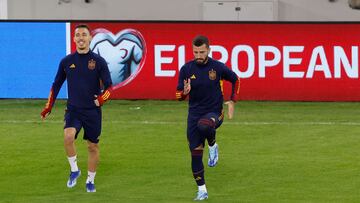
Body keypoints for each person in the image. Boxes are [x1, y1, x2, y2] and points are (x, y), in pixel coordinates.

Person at [40, 24, 113, 193]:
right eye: (78, 35)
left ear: (90, 38)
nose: (81, 37)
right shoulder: (66, 62)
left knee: (92, 147)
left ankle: (90, 180)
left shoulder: (99, 62)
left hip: (92, 112)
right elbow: (56, 84)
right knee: (68, 137)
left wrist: (101, 100)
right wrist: (48, 106)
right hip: (73, 110)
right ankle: (74, 170)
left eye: (84, 35)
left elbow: (110, 87)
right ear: (74, 39)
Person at [176, 35, 240, 201]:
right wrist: (184, 93)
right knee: (195, 153)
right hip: (193, 114)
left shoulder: (217, 67)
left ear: (208, 50)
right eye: (196, 52)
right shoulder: (186, 69)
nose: (198, 55)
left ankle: (212, 145)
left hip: (214, 112)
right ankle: (202, 190)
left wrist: (233, 99)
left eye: (202, 52)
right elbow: (177, 95)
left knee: (204, 125)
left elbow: (235, 79)